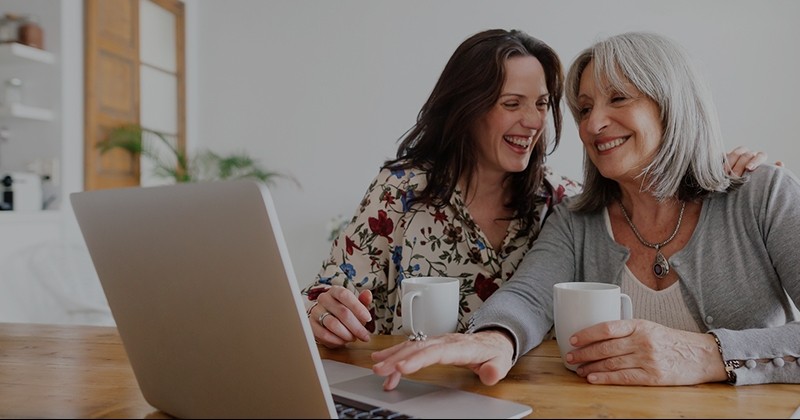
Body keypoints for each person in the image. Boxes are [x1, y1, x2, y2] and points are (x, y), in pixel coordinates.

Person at [372, 31, 799, 388]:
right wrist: (495, 338)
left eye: (618, 98)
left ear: (673, 105)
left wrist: (708, 355)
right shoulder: (576, 220)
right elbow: (529, 296)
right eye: (585, 107)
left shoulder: (764, 195)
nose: (593, 125)